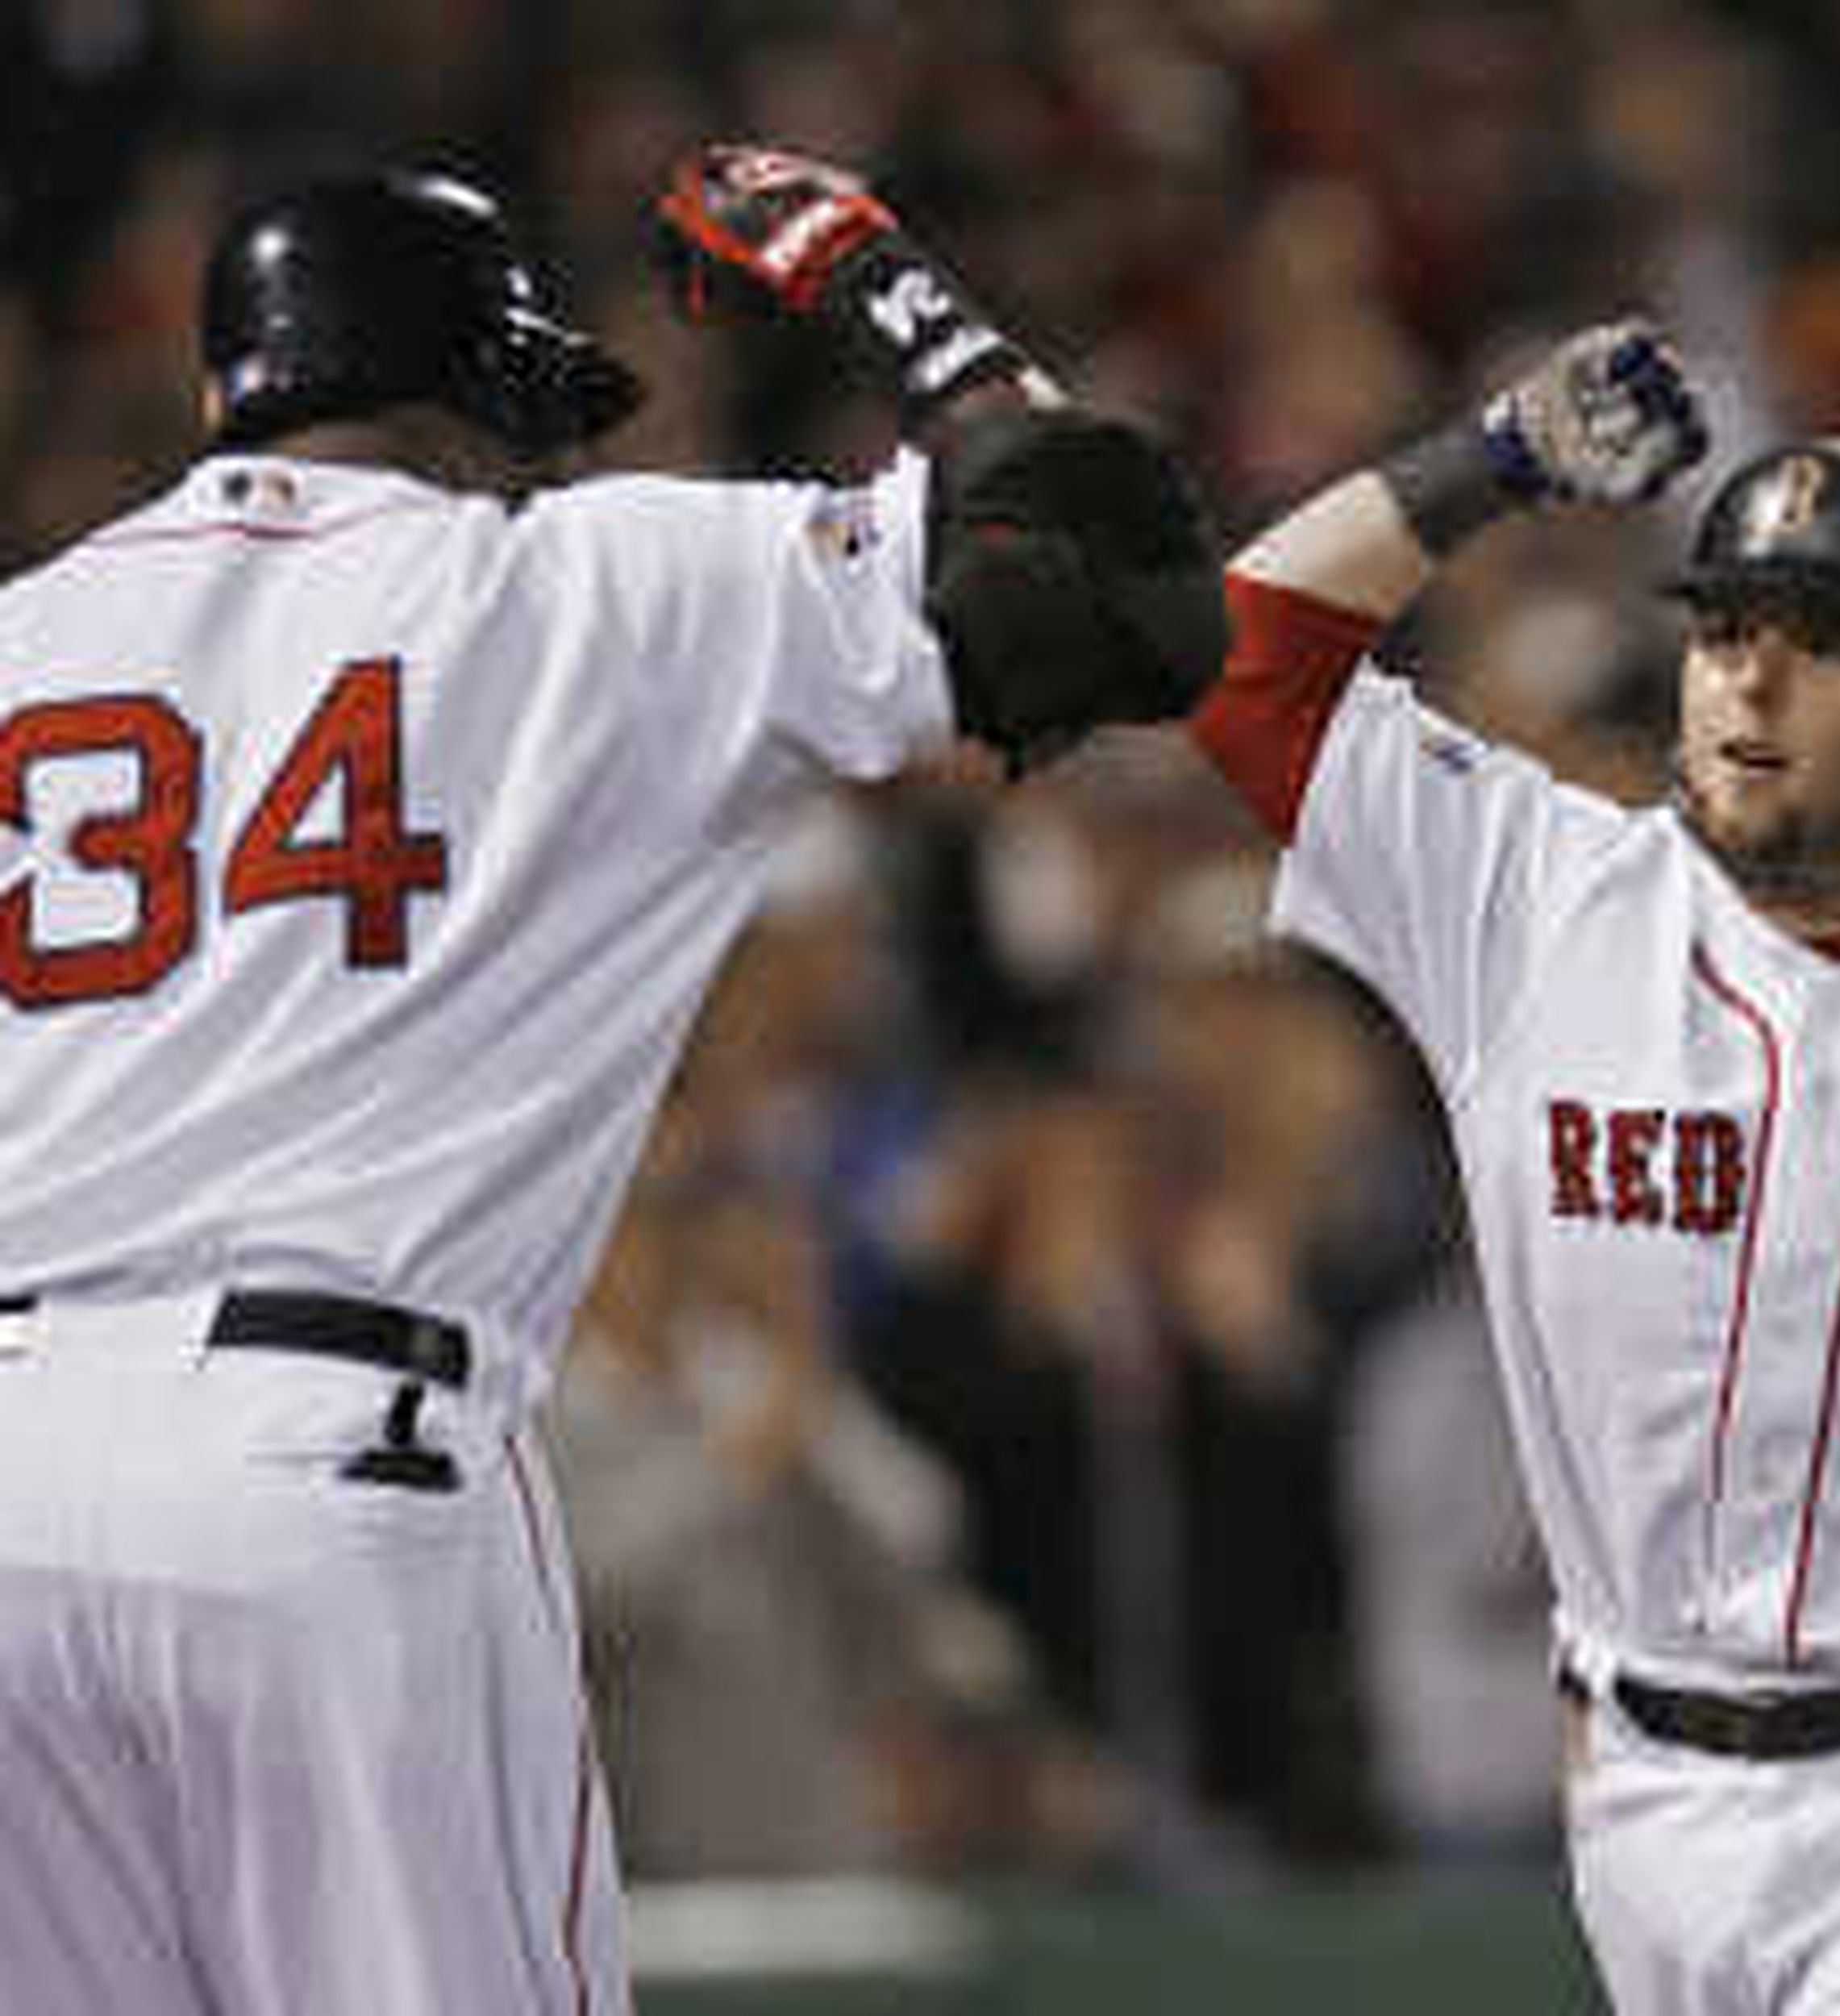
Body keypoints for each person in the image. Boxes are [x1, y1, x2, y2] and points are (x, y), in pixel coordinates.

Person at [0, 148, 1223, 2016]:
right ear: (485, 391)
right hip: (323, 1459)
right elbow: (1109, 582)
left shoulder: (24, 643)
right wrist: (875, 281)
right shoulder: (593, 578)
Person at [1189, 321, 1840, 2013]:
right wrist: (1487, 463)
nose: (1743, 684)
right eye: (1720, 629)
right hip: (1631, 1794)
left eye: (1818, 645)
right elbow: (1238, 656)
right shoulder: (1535, 898)